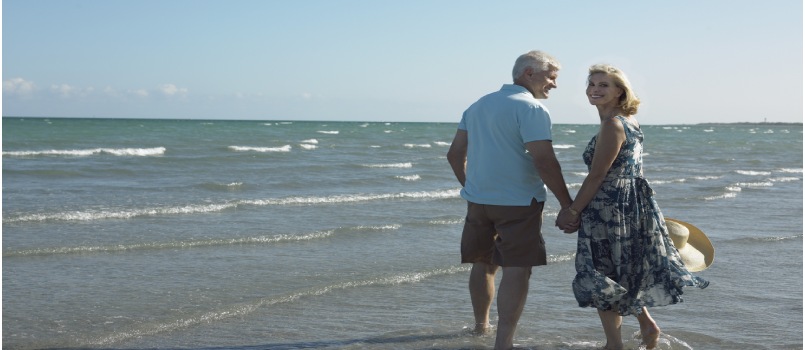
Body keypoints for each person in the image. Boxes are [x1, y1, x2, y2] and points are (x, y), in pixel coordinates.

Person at [555, 64, 709, 350]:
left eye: (604, 85)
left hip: (609, 207)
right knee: (622, 269)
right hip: (631, 203)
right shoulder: (629, 120)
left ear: (620, 91)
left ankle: (614, 345)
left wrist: (573, 210)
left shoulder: (614, 124)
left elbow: (598, 175)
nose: (595, 89)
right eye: (591, 84)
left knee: (602, 274)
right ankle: (647, 326)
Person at [447, 50, 575, 350]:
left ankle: (481, 327)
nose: (554, 85)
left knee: (483, 263)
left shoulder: (478, 105)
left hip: (479, 202)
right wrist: (567, 204)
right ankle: (503, 343)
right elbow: (545, 161)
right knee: (517, 268)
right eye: (551, 77)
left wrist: (472, 186)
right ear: (529, 73)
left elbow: (454, 155)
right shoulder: (531, 109)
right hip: (518, 202)